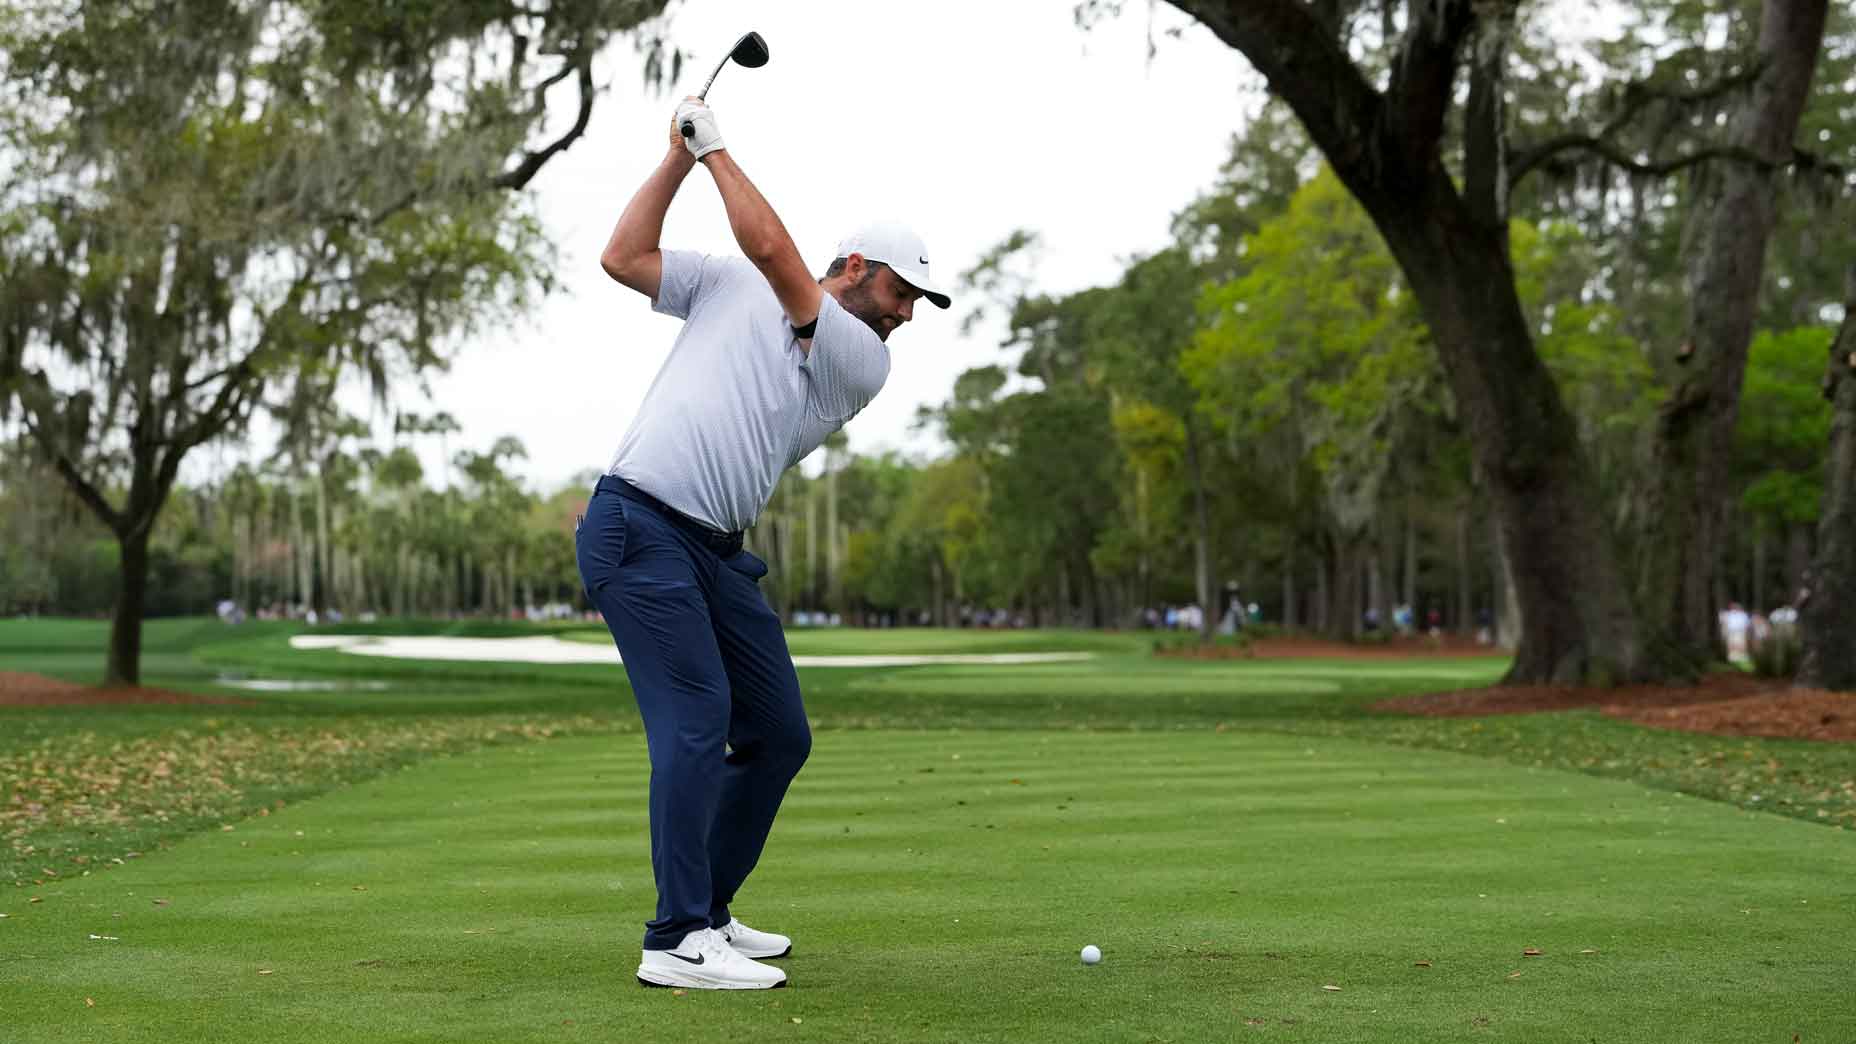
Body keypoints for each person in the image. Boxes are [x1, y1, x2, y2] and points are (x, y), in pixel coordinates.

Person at [574, 96, 949, 991]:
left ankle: (706, 913)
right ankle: (672, 942)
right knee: (698, 723)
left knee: (777, 732)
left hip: (710, 551)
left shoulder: (861, 356)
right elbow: (623, 258)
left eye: (918, 303)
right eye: (902, 291)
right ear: (857, 266)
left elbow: (776, 255)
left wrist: (716, 150)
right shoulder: (728, 281)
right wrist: (676, 158)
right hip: (637, 523)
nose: (907, 314)